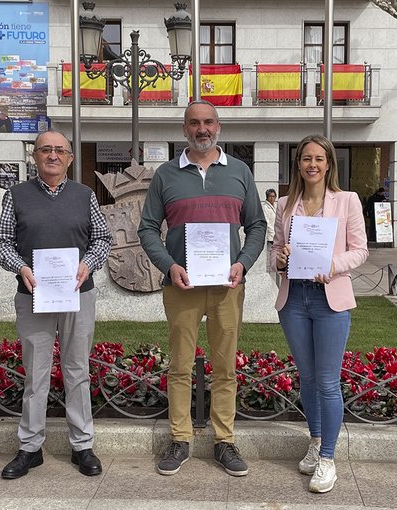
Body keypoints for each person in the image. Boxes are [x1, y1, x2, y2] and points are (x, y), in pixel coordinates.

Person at [138, 100, 266, 477]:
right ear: (184, 129)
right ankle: (181, 440)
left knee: (226, 367)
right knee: (179, 366)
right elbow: (147, 228)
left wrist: (243, 263)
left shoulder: (240, 172)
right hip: (183, 286)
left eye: (208, 122)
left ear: (219, 127)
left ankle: (224, 441)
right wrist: (169, 265)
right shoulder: (165, 175)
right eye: (194, 123)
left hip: (227, 287)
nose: (202, 129)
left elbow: (256, 225)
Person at [0, 130, 112, 479]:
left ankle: (82, 446)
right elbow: (2, 243)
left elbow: (102, 237)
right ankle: (30, 448)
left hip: (79, 292)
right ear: (34, 156)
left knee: (77, 371)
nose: (53, 156)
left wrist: (88, 264)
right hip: (33, 294)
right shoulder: (16, 195)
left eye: (60, 150)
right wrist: (21, 268)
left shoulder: (84, 194)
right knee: (36, 374)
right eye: (46, 149)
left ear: (70, 158)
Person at [271, 134, 368, 493]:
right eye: (306, 159)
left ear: (329, 164)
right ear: (298, 164)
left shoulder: (347, 201)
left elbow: (360, 251)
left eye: (319, 159)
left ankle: (328, 458)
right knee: (307, 378)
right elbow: (278, 250)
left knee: (327, 381)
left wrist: (333, 263)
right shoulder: (285, 204)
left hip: (330, 300)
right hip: (294, 299)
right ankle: (315, 443)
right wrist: (278, 259)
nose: (312, 164)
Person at [262, 188, 277, 270]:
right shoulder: (265, 207)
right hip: (270, 235)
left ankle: (272, 268)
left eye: (274, 196)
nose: (272, 198)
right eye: (270, 196)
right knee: (269, 254)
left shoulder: (274, 206)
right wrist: (272, 233)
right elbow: (267, 222)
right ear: (267, 197)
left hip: (275, 234)